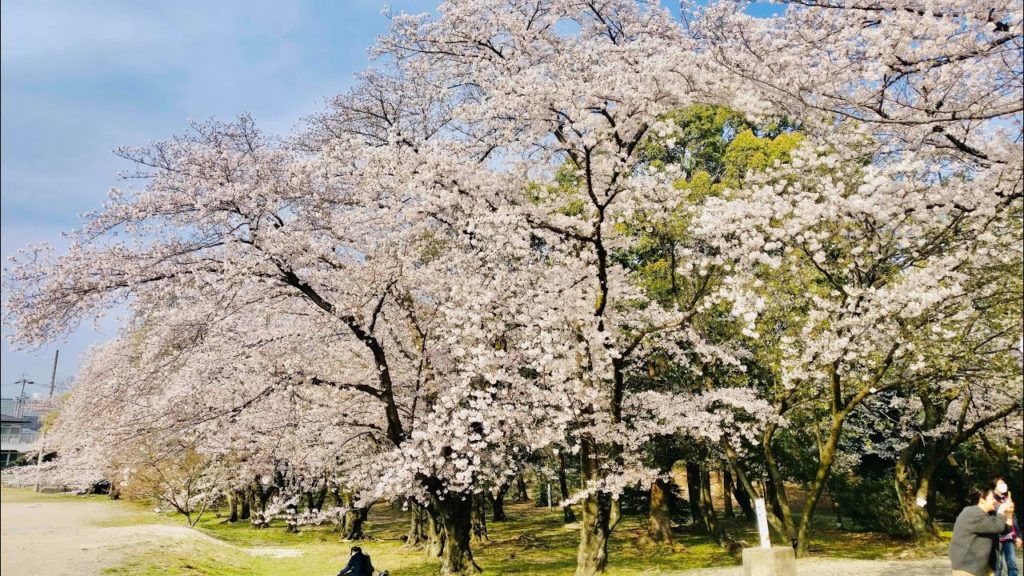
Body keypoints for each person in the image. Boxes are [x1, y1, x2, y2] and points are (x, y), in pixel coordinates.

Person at [950, 481, 1015, 576]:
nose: (995, 501)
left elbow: (1004, 529)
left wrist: (1009, 514)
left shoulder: (985, 515)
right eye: (992, 498)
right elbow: (998, 527)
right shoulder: (971, 513)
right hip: (967, 570)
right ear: (982, 500)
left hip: (982, 569)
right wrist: (1001, 511)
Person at [993, 476, 1022, 576]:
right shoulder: (991, 501)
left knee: (1012, 565)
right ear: (994, 487)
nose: (1003, 485)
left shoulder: (1007, 499)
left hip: (1009, 537)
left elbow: (1014, 519)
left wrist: (1018, 535)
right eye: (1000, 483)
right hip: (997, 538)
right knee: (998, 565)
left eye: (1004, 483)